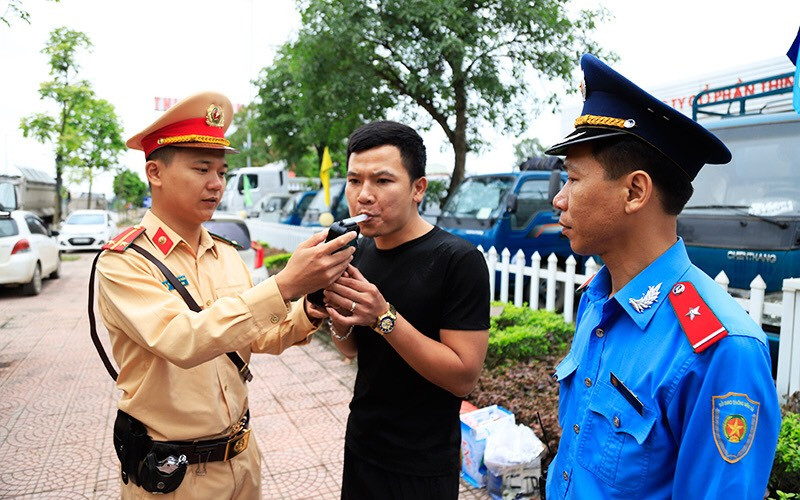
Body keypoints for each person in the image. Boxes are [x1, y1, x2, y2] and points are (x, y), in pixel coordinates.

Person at [94, 91, 356, 499]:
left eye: (222, 172)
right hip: (173, 476)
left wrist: (310, 304)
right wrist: (285, 284)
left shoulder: (225, 253)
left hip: (242, 458)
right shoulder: (125, 263)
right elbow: (184, 340)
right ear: (155, 172)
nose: (216, 184)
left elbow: (256, 336)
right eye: (202, 169)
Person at [544, 54, 781, 499]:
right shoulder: (597, 300)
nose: (559, 199)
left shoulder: (721, 349)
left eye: (573, 180)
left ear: (635, 191)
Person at [322, 121, 491, 499]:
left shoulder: (457, 260)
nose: (364, 195)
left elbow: (463, 377)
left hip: (422, 463)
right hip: (363, 443)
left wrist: (384, 317)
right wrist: (337, 312)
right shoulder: (360, 251)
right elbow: (352, 352)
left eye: (382, 181)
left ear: (418, 188)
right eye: (354, 180)